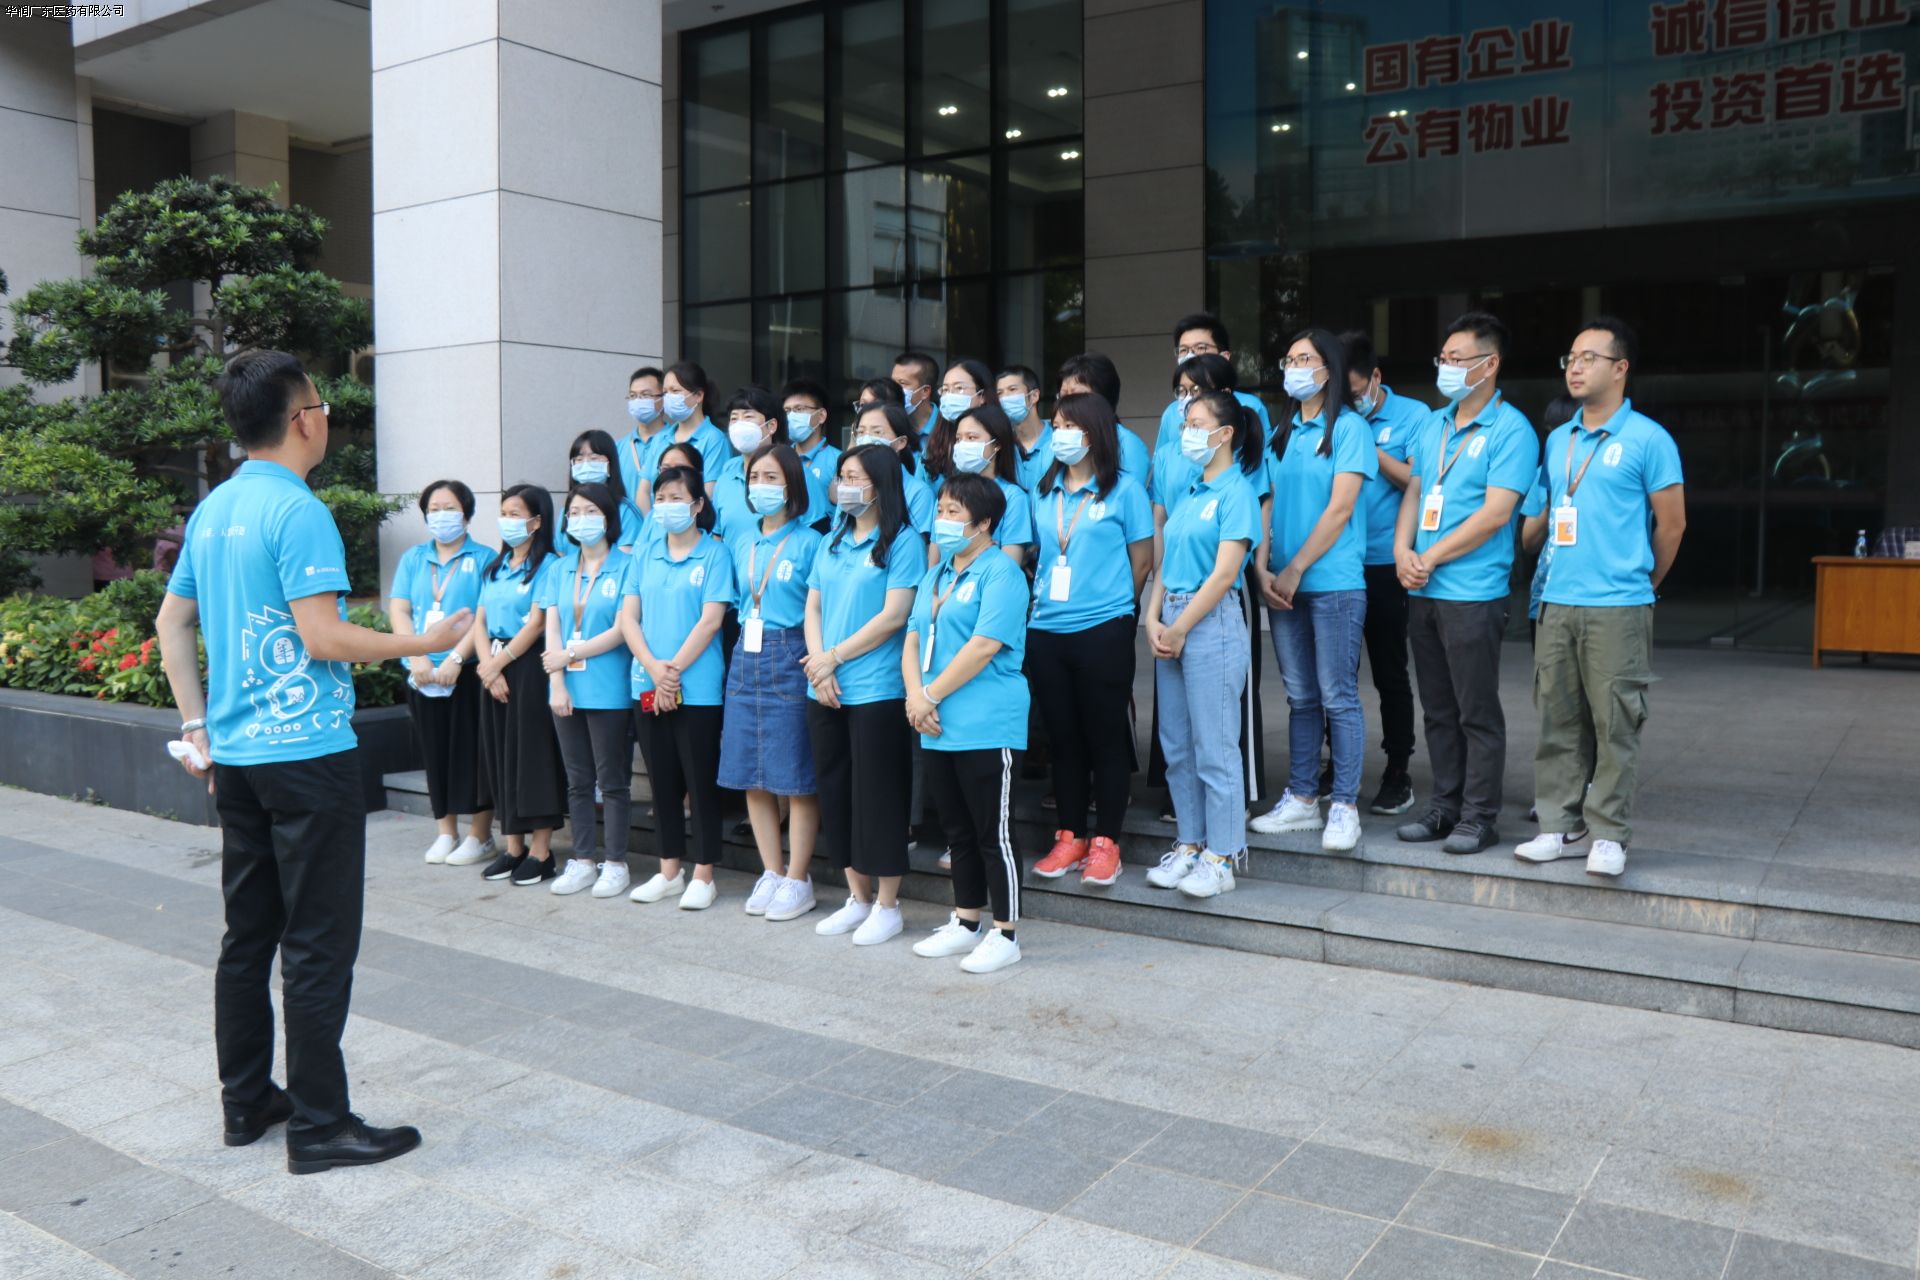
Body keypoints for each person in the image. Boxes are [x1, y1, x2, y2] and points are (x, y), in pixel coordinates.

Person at [155, 349, 454, 1172]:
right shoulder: (297, 509)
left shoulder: (214, 508)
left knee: (248, 935)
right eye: (322, 404)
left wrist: (197, 725)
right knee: (318, 943)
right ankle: (321, 1125)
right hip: (307, 756)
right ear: (301, 420)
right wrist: (424, 641)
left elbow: (170, 622)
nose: (327, 416)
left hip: (240, 760)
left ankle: (247, 1101)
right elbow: (323, 637)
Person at [1516, 318, 1685, 878]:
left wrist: (1644, 584)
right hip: (1558, 600)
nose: (1576, 366)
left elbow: (1672, 525)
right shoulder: (1558, 439)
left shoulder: (1649, 439)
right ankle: (1559, 826)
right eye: (1571, 357)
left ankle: (1609, 833)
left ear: (1621, 368)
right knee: (1557, 719)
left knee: (1616, 722)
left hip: (1618, 604)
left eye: (1590, 357)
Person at [1394, 311, 1537, 856]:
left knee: (1476, 710)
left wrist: (1428, 555)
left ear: (1490, 363)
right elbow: (1414, 490)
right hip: (1423, 588)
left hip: (1473, 592)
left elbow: (1496, 514)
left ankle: (1479, 816)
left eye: (1457, 359)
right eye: (1443, 358)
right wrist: (1402, 550)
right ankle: (1444, 806)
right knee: (1437, 709)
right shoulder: (1433, 424)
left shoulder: (1512, 430)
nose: (1446, 367)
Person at [1247, 330, 1378, 853]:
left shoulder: (1348, 428)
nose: (1295, 367)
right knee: (1301, 696)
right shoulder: (1281, 433)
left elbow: (1341, 508)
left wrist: (1296, 567)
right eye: (1290, 359)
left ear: (1330, 369)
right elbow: (1267, 503)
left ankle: (1343, 804)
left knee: (1337, 696)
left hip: (1333, 584)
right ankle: (1303, 798)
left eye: (1307, 358)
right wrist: (1261, 568)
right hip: (1282, 585)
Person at [904, 474, 1032, 973]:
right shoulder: (936, 574)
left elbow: (983, 646)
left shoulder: (1002, 573)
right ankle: (966, 920)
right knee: (956, 829)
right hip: (937, 721)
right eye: (941, 509)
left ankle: (1006, 932)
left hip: (987, 721)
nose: (943, 519)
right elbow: (914, 637)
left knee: (992, 833)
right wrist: (916, 697)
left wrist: (929, 695)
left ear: (984, 523)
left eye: (954, 512)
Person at [1026, 393, 1154, 886]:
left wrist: (1117, 610)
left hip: (1104, 629)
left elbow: (1142, 561)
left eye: (1069, 427)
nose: (1059, 435)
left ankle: (1106, 843)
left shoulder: (1124, 491)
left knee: (1106, 738)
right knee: (1064, 739)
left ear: (1094, 433)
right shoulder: (1045, 491)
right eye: (1056, 425)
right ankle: (1071, 836)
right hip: (1047, 631)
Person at [1143, 389, 1262, 898]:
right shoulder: (1190, 491)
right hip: (1172, 616)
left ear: (1225, 433)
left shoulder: (1238, 492)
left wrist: (1180, 627)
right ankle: (1190, 844)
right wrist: (1153, 617)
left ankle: (1222, 855)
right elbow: (1166, 563)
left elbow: (1224, 574)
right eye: (1184, 424)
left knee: (1215, 746)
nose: (1185, 433)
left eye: (1195, 423)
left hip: (1211, 623)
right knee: (1176, 746)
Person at [804, 445, 926, 944]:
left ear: (880, 483)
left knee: (879, 797)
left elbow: (894, 616)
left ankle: (888, 904)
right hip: (825, 687)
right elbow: (813, 606)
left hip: (876, 688)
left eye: (854, 476)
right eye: (842, 476)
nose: (844, 485)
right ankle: (856, 897)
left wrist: (834, 657)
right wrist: (819, 666)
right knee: (836, 794)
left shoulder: (904, 542)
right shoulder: (832, 537)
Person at [622, 465, 736, 909]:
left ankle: (704, 874)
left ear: (697, 505)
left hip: (698, 687)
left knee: (699, 781)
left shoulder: (715, 554)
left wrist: (672, 672)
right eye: (661, 498)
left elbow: (711, 621)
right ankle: (669, 869)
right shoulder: (645, 553)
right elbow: (629, 618)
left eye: (677, 498)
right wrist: (654, 669)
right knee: (662, 782)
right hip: (647, 682)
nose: (667, 506)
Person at [719, 443, 824, 922]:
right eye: (754, 478)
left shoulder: (810, 542)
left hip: (791, 651)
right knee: (751, 771)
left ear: (791, 486)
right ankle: (772, 871)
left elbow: (818, 608)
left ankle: (799, 878)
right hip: (747, 650)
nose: (760, 486)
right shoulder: (743, 541)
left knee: (795, 775)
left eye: (771, 478)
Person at [538, 483, 637, 899]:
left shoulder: (628, 565)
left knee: (612, 782)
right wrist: (557, 681)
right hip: (567, 688)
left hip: (610, 688)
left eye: (591, 511)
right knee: (578, 781)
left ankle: (615, 863)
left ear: (609, 517)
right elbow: (553, 626)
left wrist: (571, 653)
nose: (582, 519)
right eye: (574, 512)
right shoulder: (560, 569)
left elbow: (622, 629)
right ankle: (582, 860)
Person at [389, 480, 496, 867]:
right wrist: (416, 653)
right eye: (433, 509)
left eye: (449, 508)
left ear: (466, 514)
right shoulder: (414, 558)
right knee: (434, 753)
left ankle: (480, 835)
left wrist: (455, 657)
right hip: (421, 671)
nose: (440, 516)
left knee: (474, 754)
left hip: (466, 670)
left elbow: (485, 615)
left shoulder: (485, 558)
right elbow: (400, 609)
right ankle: (445, 831)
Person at [1342, 330, 1426, 816]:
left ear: (1375, 377)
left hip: (1384, 562)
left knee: (1389, 671)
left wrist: (1363, 444)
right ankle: (1337, 764)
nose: (1349, 401)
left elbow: (1416, 479)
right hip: (1337, 563)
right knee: (1336, 675)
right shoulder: (1328, 414)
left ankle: (1398, 768)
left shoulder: (1414, 415)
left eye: (1355, 392)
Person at [469, 485, 568, 886]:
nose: (506, 520)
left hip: (528, 665)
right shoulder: (496, 566)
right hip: (493, 664)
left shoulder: (549, 566)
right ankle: (513, 848)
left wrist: (499, 665)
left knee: (532, 755)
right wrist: (488, 669)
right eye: (504, 512)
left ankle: (541, 851)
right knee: (500, 754)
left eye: (516, 513)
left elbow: (537, 623)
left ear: (537, 521)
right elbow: (479, 621)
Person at [712, 385, 829, 540]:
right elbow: (718, 535)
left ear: (771, 426)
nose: (740, 425)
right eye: (734, 418)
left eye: (748, 417)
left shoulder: (798, 474)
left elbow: (819, 531)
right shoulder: (726, 476)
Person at [938, 401, 1035, 567]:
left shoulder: (1013, 497)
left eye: (971, 438)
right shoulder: (948, 491)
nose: (962, 445)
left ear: (996, 444)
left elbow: (1009, 565)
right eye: (958, 439)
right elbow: (935, 557)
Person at [1056, 351, 1150, 480]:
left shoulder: (1128, 446)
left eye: (1077, 396)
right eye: (1063, 396)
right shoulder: (1059, 440)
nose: (1068, 404)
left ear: (1103, 398)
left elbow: (1131, 491)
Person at [850, 401, 937, 533]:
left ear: (901, 442)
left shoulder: (919, 493)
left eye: (877, 432)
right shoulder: (850, 486)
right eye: (861, 432)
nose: (867, 439)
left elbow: (915, 543)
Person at [565, 431, 642, 550]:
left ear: (610, 463)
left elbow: (626, 555)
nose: (586, 464)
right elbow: (561, 551)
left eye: (594, 458)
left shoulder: (625, 510)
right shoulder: (569, 510)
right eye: (579, 459)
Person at [661, 360, 733, 484]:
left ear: (698, 395)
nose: (668, 397)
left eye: (675, 391)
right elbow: (644, 489)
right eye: (665, 392)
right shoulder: (661, 437)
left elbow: (711, 490)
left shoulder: (714, 439)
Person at [921, 357, 992, 481]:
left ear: (982, 395)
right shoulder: (934, 444)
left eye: (959, 388)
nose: (950, 395)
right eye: (945, 389)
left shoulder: (998, 440)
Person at [616, 365, 669, 515]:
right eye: (633, 396)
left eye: (645, 395)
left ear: (663, 398)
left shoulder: (675, 442)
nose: (638, 401)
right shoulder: (618, 448)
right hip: (627, 528)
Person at [782, 377, 842, 497]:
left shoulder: (839, 461)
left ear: (821, 416)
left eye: (799, 409)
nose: (791, 416)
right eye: (787, 411)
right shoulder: (779, 459)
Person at [997, 365, 1052, 491]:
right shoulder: (999, 446)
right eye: (999, 393)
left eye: (1012, 389)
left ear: (1034, 396)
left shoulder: (1058, 441)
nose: (1004, 398)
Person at [892, 350, 940, 441]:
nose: (893, 388)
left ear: (925, 391)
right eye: (892, 382)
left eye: (902, 383)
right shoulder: (887, 424)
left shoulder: (948, 426)